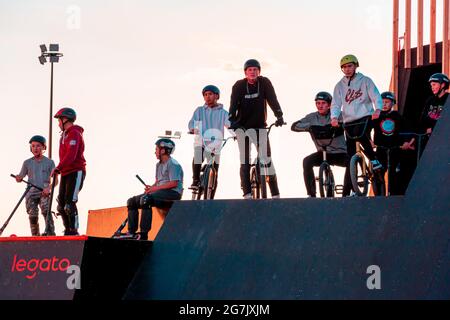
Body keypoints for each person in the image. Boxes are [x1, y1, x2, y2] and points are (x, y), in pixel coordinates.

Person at [229, 59, 285, 199]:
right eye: (249, 70)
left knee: (267, 158)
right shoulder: (239, 86)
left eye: (255, 69)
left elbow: (272, 99)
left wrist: (279, 116)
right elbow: (233, 106)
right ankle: (247, 193)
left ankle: (275, 193)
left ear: (259, 71)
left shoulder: (264, 82)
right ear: (245, 72)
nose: (252, 72)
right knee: (245, 160)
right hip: (242, 127)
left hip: (260, 126)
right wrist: (232, 120)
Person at [292, 92, 351, 197]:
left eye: (323, 103)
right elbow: (294, 126)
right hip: (322, 153)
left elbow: (351, 122)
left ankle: (346, 194)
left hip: (339, 152)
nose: (320, 105)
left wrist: (340, 124)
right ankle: (311, 195)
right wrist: (309, 126)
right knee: (307, 161)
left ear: (329, 105)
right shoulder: (312, 117)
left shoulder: (338, 115)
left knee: (350, 162)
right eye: (318, 103)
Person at [330, 54, 383, 172]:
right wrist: (334, 117)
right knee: (350, 151)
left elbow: (376, 96)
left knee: (361, 136)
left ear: (355, 66)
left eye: (350, 66)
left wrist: (378, 109)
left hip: (365, 117)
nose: (347, 69)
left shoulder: (365, 80)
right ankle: (354, 184)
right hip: (349, 120)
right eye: (344, 67)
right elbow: (336, 103)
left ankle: (374, 160)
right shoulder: (339, 86)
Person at [126, 138, 183, 240]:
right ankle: (131, 232)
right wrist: (151, 188)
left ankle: (143, 234)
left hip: (173, 193)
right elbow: (158, 181)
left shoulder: (173, 164)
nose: (155, 152)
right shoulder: (158, 165)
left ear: (163, 150)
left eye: (156, 149)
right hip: (161, 191)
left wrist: (155, 189)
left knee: (146, 200)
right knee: (131, 201)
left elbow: (174, 183)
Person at [188, 85, 230, 196]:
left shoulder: (223, 113)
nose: (207, 97)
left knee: (215, 171)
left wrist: (236, 134)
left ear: (217, 96)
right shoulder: (199, 110)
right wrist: (193, 129)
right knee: (198, 156)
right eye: (205, 95)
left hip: (215, 144)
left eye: (210, 94)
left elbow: (230, 125)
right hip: (201, 141)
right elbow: (192, 122)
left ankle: (210, 197)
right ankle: (196, 180)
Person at [51, 107, 86, 236]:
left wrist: (58, 167)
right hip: (66, 172)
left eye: (59, 120)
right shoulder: (63, 136)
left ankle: (74, 231)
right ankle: (67, 230)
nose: (58, 123)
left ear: (65, 119)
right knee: (60, 206)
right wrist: (60, 169)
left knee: (70, 203)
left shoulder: (74, 133)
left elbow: (71, 156)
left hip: (76, 171)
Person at [372, 92, 413, 195]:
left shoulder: (397, 116)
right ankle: (379, 197)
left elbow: (408, 130)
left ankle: (394, 196)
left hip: (395, 149)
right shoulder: (376, 116)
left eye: (387, 102)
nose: (384, 104)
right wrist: (370, 141)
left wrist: (406, 142)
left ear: (392, 103)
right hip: (380, 149)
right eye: (382, 102)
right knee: (377, 173)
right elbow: (367, 129)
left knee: (394, 174)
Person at [16, 135, 56, 236]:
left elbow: (56, 181)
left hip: (44, 192)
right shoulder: (27, 163)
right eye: (33, 146)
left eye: (38, 146)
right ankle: (35, 236)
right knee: (32, 215)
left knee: (45, 210)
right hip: (31, 193)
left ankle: (50, 233)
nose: (35, 148)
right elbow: (20, 176)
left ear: (43, 147)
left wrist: (48, 188)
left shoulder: (50, 163)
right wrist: (18, 178)